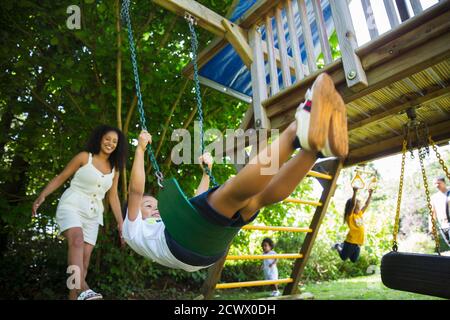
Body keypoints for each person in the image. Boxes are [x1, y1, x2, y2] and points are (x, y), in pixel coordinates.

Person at [123, 73, 348, 271]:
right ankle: (297, 130)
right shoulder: (132, 228)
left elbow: (194, 203)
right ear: (131, 214)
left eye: (154, 204)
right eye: (148, 206)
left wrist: (205, 173)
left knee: (256, 199)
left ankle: (315, 151)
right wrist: (141, 150)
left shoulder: (169, 221)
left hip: (206, 246)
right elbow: (135, 191)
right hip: (181, 243)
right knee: (233, 190)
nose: (155, 209)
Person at [32, 125, 128, 300]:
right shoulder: (85, 157)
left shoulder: (116, 169)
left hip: (93, 214)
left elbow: (112, 196)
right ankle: (83, 287)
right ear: (100, 138)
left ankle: (76, 293)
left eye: (115, 141)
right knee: (76, 240)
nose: (110, 143)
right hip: (72, 205)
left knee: (83, 262)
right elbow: (62, 176)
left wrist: (121, 223)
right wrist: (42, 195)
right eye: (107, 139)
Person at [332, 187, 374, 263]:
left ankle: (342, 245)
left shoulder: (359, 214)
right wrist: (354, 192)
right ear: (353, 208)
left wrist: (370, 195)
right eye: (357, 208)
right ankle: (338, 245)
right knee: (343, 257)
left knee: (353, 260)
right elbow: (352, 204)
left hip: (357, 243)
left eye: (359, 208)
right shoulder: (350, 216)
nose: (359, 209)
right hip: (350, 242)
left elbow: (366, 205)